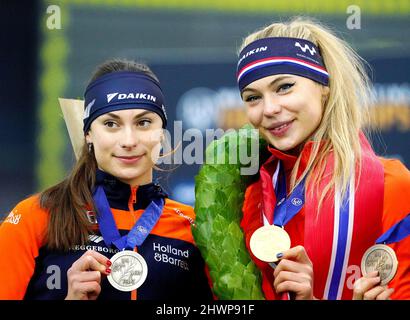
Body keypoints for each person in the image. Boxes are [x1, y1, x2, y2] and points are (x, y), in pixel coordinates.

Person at [0, 59, 213, 300]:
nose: (129, 140)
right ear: (88, 133)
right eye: (111, 124)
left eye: (143, 123)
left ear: (162, 133)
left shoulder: (194, 228)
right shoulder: (35, 217)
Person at [234, 17, 410, 300]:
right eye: (252, 97)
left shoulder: (393, 187)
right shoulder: (253, 201)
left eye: (284, 87)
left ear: (324, 87)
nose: (269, 108)